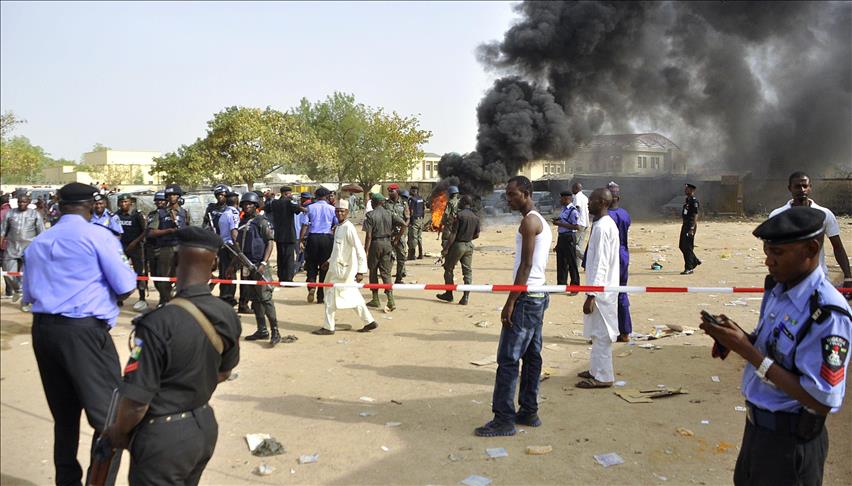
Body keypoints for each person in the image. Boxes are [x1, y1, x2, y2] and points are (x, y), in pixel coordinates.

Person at [699, 207, 851, 486]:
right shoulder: (778, 289)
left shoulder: (827, 313)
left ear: (811, 249)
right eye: (767, 252)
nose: (768, 262)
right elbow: (773, 349)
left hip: (791, 443)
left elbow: (821, 399)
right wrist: (734, 336)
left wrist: (748, 351)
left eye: (777, 253)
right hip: (758, 432)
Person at [102, 226, 241, 485]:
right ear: (214, 264)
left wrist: (118, 432)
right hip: (204, 427)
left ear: (175, 261)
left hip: (163, 437)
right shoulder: (226, 313)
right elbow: (224, 372)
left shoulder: (157, 323)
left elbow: (136, 402)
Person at [23, 182, 137, 486]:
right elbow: (126, 285)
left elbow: (29, 293)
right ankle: (99, 483)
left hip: (44, 332)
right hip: (84, 332)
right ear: (91, 205)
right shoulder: (98, 236)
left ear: (58, 206)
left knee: (65, 417)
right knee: (110, 418)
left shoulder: (39, 242)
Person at [475, 176, 551, 437]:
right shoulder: (540, 221)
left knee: (508, 359)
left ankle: (504, 419)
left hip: (527, 297)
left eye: (512, 194)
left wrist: (510, 301)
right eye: (507, 194)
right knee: (532, 357)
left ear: (527, 193)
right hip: (538, 295)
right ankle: (529, 411)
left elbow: (526, 266)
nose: (508, 199)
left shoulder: (530, 222)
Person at [769, 171, 852, 288]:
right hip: (788, 280)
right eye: (797, 186)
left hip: (818, 280)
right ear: (790, 188)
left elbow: (837, 247)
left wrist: (848, 276)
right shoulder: (777, 215)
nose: (802, 190)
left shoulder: (824, 214)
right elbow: (770, 248)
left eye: (805, 186)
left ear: (810, 188)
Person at [312, 200, 378, 335]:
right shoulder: (338, 227)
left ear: (347, 212)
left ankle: (328, 327)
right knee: (352, 295)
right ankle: (369, 321)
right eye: (337, 211)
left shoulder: (349, 228)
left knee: (330, 296)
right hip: (336, 269)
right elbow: (338, 250)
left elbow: (359, 249)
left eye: (342, 211)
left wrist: (361, 270)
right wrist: (328, 261)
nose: (339, 213)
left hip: (344, 271)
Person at [576, 188, 620, 389]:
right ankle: (595, 369)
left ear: (602, 202)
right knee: (596, 333)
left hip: (601, 292)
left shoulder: (603, 227)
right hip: (601, 289)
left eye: (592, 200)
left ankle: (603, 377)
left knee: (602, 335)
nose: (588, 203)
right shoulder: (603, 224)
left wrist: (591, 294)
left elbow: (601, 264)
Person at [235, 192, 280, 345]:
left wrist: (264, 264)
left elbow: (269, 242)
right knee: (255, 300)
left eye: (250, 204)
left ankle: (275, 331)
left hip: (260, 266)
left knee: (265, 299)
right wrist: (232, 266)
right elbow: (239, 247)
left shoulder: (262, 221)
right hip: (247, 266)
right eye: (244, 204)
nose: (247, 207)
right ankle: (262, 330)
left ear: (255, 206)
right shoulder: (242, 222)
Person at [1, 191, 45, 308]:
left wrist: (41, 250)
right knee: (8, 273)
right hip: (12, 247)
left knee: (27, 276)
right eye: (20, 202)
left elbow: (42, 233)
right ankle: (18, 290)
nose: (21, 204)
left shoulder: (35, 214)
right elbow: (3, 231)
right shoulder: (10, 213)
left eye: (24, 202)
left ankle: (25, 301)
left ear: (29, 202)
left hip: (29, 249)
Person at [147, 184, 190, 305]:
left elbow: (187, 228)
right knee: (164, 277)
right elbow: (151, 232)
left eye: (174, 195)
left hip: (181, 247)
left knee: (183, 276)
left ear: (179, 196)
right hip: (166, 248)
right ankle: (165, 300)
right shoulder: (160, 213)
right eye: (170, 195)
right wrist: (168, 231)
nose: (172, 197)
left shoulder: (184, 213)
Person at [364, 193, 405, 312]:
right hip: (387, 244)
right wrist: (396, 239)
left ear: (374, 202)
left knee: (373, 270)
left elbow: (369, 236)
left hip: (375, 244)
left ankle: (375, 298)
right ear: (382, 202)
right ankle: (391, 300)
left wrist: (365, 250)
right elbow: (404, 224)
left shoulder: (370, 215)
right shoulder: (390, 214)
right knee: (386, 273)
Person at [436, 195, 480, 306]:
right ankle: (465, 297)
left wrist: (446, 249)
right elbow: (477, 235)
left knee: (448, 268)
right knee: (467, 272)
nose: (458, 203)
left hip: (458, 245)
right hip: (469, 245)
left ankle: (449, 293)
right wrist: (468, 238)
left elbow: (453, 234)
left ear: (463, 202)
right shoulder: (475, 217)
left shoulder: (459, 215)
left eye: (460, 201)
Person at [300, 187, 337, 304]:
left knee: (311, 264)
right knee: (324, 267)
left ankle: (311, 285)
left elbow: (305, 225)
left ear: (316, 196)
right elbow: (336, 224)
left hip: (313, 237)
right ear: (327, 197)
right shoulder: (332, 209)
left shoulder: (309, 208)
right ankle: (321, 296)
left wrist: (300, 240)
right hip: (327, 238)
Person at [607, 182, 633, 342]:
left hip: (610, 256)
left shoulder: (605, 217)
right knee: (622, 292)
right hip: (623, 254)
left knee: (604, 293)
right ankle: (625, 331)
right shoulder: (625, 214)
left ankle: (605, 332)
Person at [265, 185, 307, 282]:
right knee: (289, 258)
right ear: (285, 194)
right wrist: (304, 209)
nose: (291, 195)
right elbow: (299, 209)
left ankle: (281, 277)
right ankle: (288, 279)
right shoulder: (289, 202)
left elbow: (266, 208)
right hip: (289, 235)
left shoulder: (275, 203)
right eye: (289, 194)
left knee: (280, 257)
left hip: (279, 235)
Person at [116, 194, 148, 311]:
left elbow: (145, 231)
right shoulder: (116, 215)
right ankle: (119, 298)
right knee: (119, 272)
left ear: (130, 203)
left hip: (136, 249)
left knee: (139, 273)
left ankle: (142, 298)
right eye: (121, 202)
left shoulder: (137, 215)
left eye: (126, 202)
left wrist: (135, 243)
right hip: (122, 249)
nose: (124, 204)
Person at [552, 190, 581, 290]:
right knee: (561, 262)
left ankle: (575, 285)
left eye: (561, 198)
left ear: (566, 198)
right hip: (562, 237)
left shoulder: (573, 211)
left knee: (571, 262)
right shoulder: (564, 209)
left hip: (569, 237)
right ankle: (561, 284)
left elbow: (576, 227)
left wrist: (559, 224)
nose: (560, 200)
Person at [216, 191, 240, 306]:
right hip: (230, 247)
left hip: (223, 247)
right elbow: (234, 233)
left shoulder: (224, 213)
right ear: (237, 201)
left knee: (224, 273)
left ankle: (224, 298)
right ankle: (228, 300)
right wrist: (238, 250)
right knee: (230, 274)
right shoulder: (234, 213)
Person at [387, 184, 410, 283]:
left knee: (401, 257)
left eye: (392, 190)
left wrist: (404, 226)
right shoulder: (385, 204)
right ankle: (387, 279)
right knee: (389, 257)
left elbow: (408, 217)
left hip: (400, 234)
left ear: (397, 191)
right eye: (389, 191)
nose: (390, 192)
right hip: (389, 233)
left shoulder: (404, 204)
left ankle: (399, 278)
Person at [679, 183, 701, 275]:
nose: (685, 190)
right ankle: (694, 260)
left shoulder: (694, 201)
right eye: (685, 188)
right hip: (685, 225)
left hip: (690, 226)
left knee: (687, 247)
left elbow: (695, 214)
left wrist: (692, 228)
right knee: (681, 246)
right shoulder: (687, 200)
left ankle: (689, 268)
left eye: (687, 189)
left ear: (692, 190)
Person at [571, 182, 589, 270]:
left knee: (573, 245)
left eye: (573, 188)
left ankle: (587, 261)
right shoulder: (585, 197)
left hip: (579, 224)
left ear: (576, 188)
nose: (571, 190)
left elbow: (576, 209)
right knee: (579, 245)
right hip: (586, 223)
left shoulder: (577, 197)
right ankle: (577, 266)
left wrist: (572, 221)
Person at [294, 192, 312, 275]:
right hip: (303, 233)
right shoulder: (306, 208)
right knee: (301, 251)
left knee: (301, 251)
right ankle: (300, 266)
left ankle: (299, 267)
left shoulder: (305, 209)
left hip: (302, 233)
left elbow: (305, 224)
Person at [407, 186, 425, 260]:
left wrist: (409, 221)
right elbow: (424, 209)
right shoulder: (421, 199)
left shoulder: (412, 199)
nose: (410, 192)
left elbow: (410, 211)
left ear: (414, 191)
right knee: (419, 238)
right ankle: (421, 254)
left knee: (413, 238)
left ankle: (412, 255)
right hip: (421, 220)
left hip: (414, 220)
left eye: (411, 190)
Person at [0, 192, 12, 299]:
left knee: (5, 267)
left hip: (3, 244)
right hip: (15, 244)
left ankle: (9, 290)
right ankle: (11, 290)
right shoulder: (14, 212)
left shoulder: (1, 213)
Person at [441, 185, 460, 250]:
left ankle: (447, 251)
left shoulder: (450, 202)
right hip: (458, 222)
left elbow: (446, 213)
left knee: (445, 238)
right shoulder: (460, 201)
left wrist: (443, 221)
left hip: (450, 222)